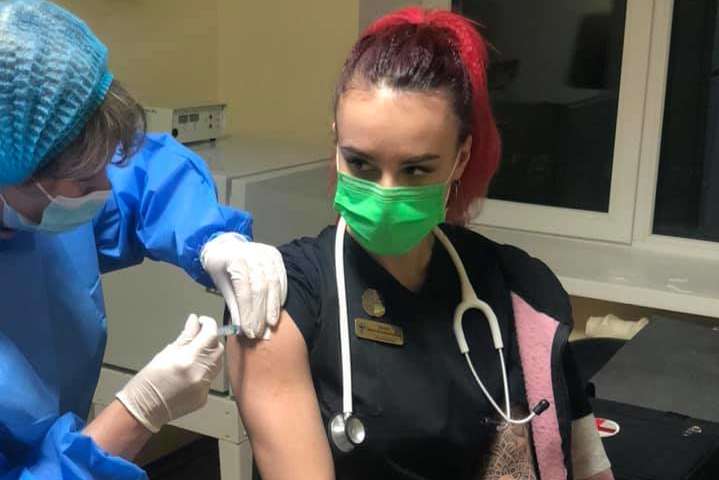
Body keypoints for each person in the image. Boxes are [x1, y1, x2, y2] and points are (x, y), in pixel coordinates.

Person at [228, 7, 614, 480]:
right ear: (336, 143)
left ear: (460, 159)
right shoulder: (282, 303)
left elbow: (588, 465)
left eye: (415, 170)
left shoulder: (517, 288)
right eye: (361, 164)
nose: (386, 194)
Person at [0, 1, 286, 478]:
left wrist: (213, 239)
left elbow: (144, 173)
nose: (106, 187)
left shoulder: (41, 187)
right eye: (84, 184)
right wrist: (138, 410)